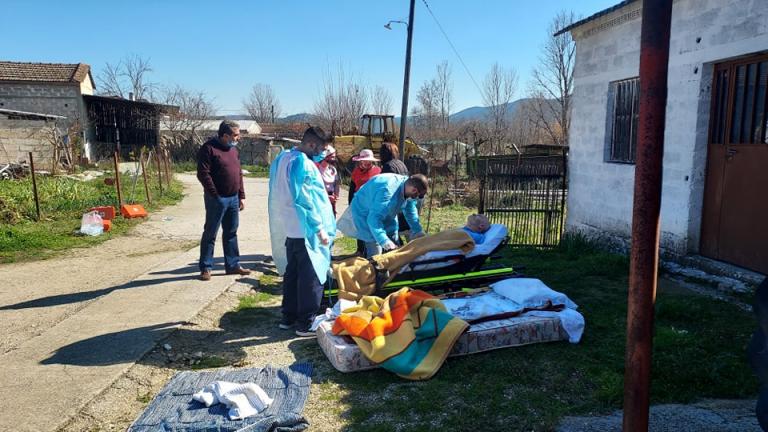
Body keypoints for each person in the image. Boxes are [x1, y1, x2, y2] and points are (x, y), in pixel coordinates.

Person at [268, 126, 336, 337]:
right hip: (307, 232)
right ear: (311, 144)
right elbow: (304, 200)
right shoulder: (302, 164)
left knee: (292, 274)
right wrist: (319, 229)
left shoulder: (283, 157)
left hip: (292, 229)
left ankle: (288, 317)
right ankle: (305, 323)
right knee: (311, 277)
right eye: (323, 148)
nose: (324, 152)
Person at [196, 120, 251, 281]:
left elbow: (238, 173)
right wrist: (215, 194)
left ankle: (233, 265)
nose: (238, 138)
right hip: (217, 199)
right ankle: (206, 267)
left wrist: (241, 195)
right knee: (211, 233)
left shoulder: (233, 150)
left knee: (231, 232)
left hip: (233, 198)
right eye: (235, 135)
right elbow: (203, 174)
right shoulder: (209, 148)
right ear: (225, 135)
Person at [340, 173, 428, 257]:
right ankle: (376, 269)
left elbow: (410, 209)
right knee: (375, 251)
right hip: (365, 213)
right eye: (417, 195)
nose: (416, 198)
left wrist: (418, 230)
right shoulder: (388, 192)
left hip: (385, 213)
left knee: (394, 243)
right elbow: (373, 219)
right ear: (414, 190)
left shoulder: (406, 185)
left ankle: (395, 270)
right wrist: (384, 241)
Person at [348, 148, 381, 255]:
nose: (367, 163)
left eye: (369, 161)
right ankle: (360, 250)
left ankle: (372, 251)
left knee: (371, 228)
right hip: (359, 204)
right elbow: (352, 188)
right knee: (360, 227)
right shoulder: (356, 172)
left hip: (372, 204)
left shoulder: (377, 171)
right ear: (360, 161)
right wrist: (351, 204)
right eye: (365, 160)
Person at [316, 146, 340, 217]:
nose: (334, 159)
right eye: (332, 157)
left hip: (331, 199)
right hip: (320, 199)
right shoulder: (316, 169)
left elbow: (336, 183)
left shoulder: (332, 169)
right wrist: (326, 196)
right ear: (325, 156)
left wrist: (336, 195)